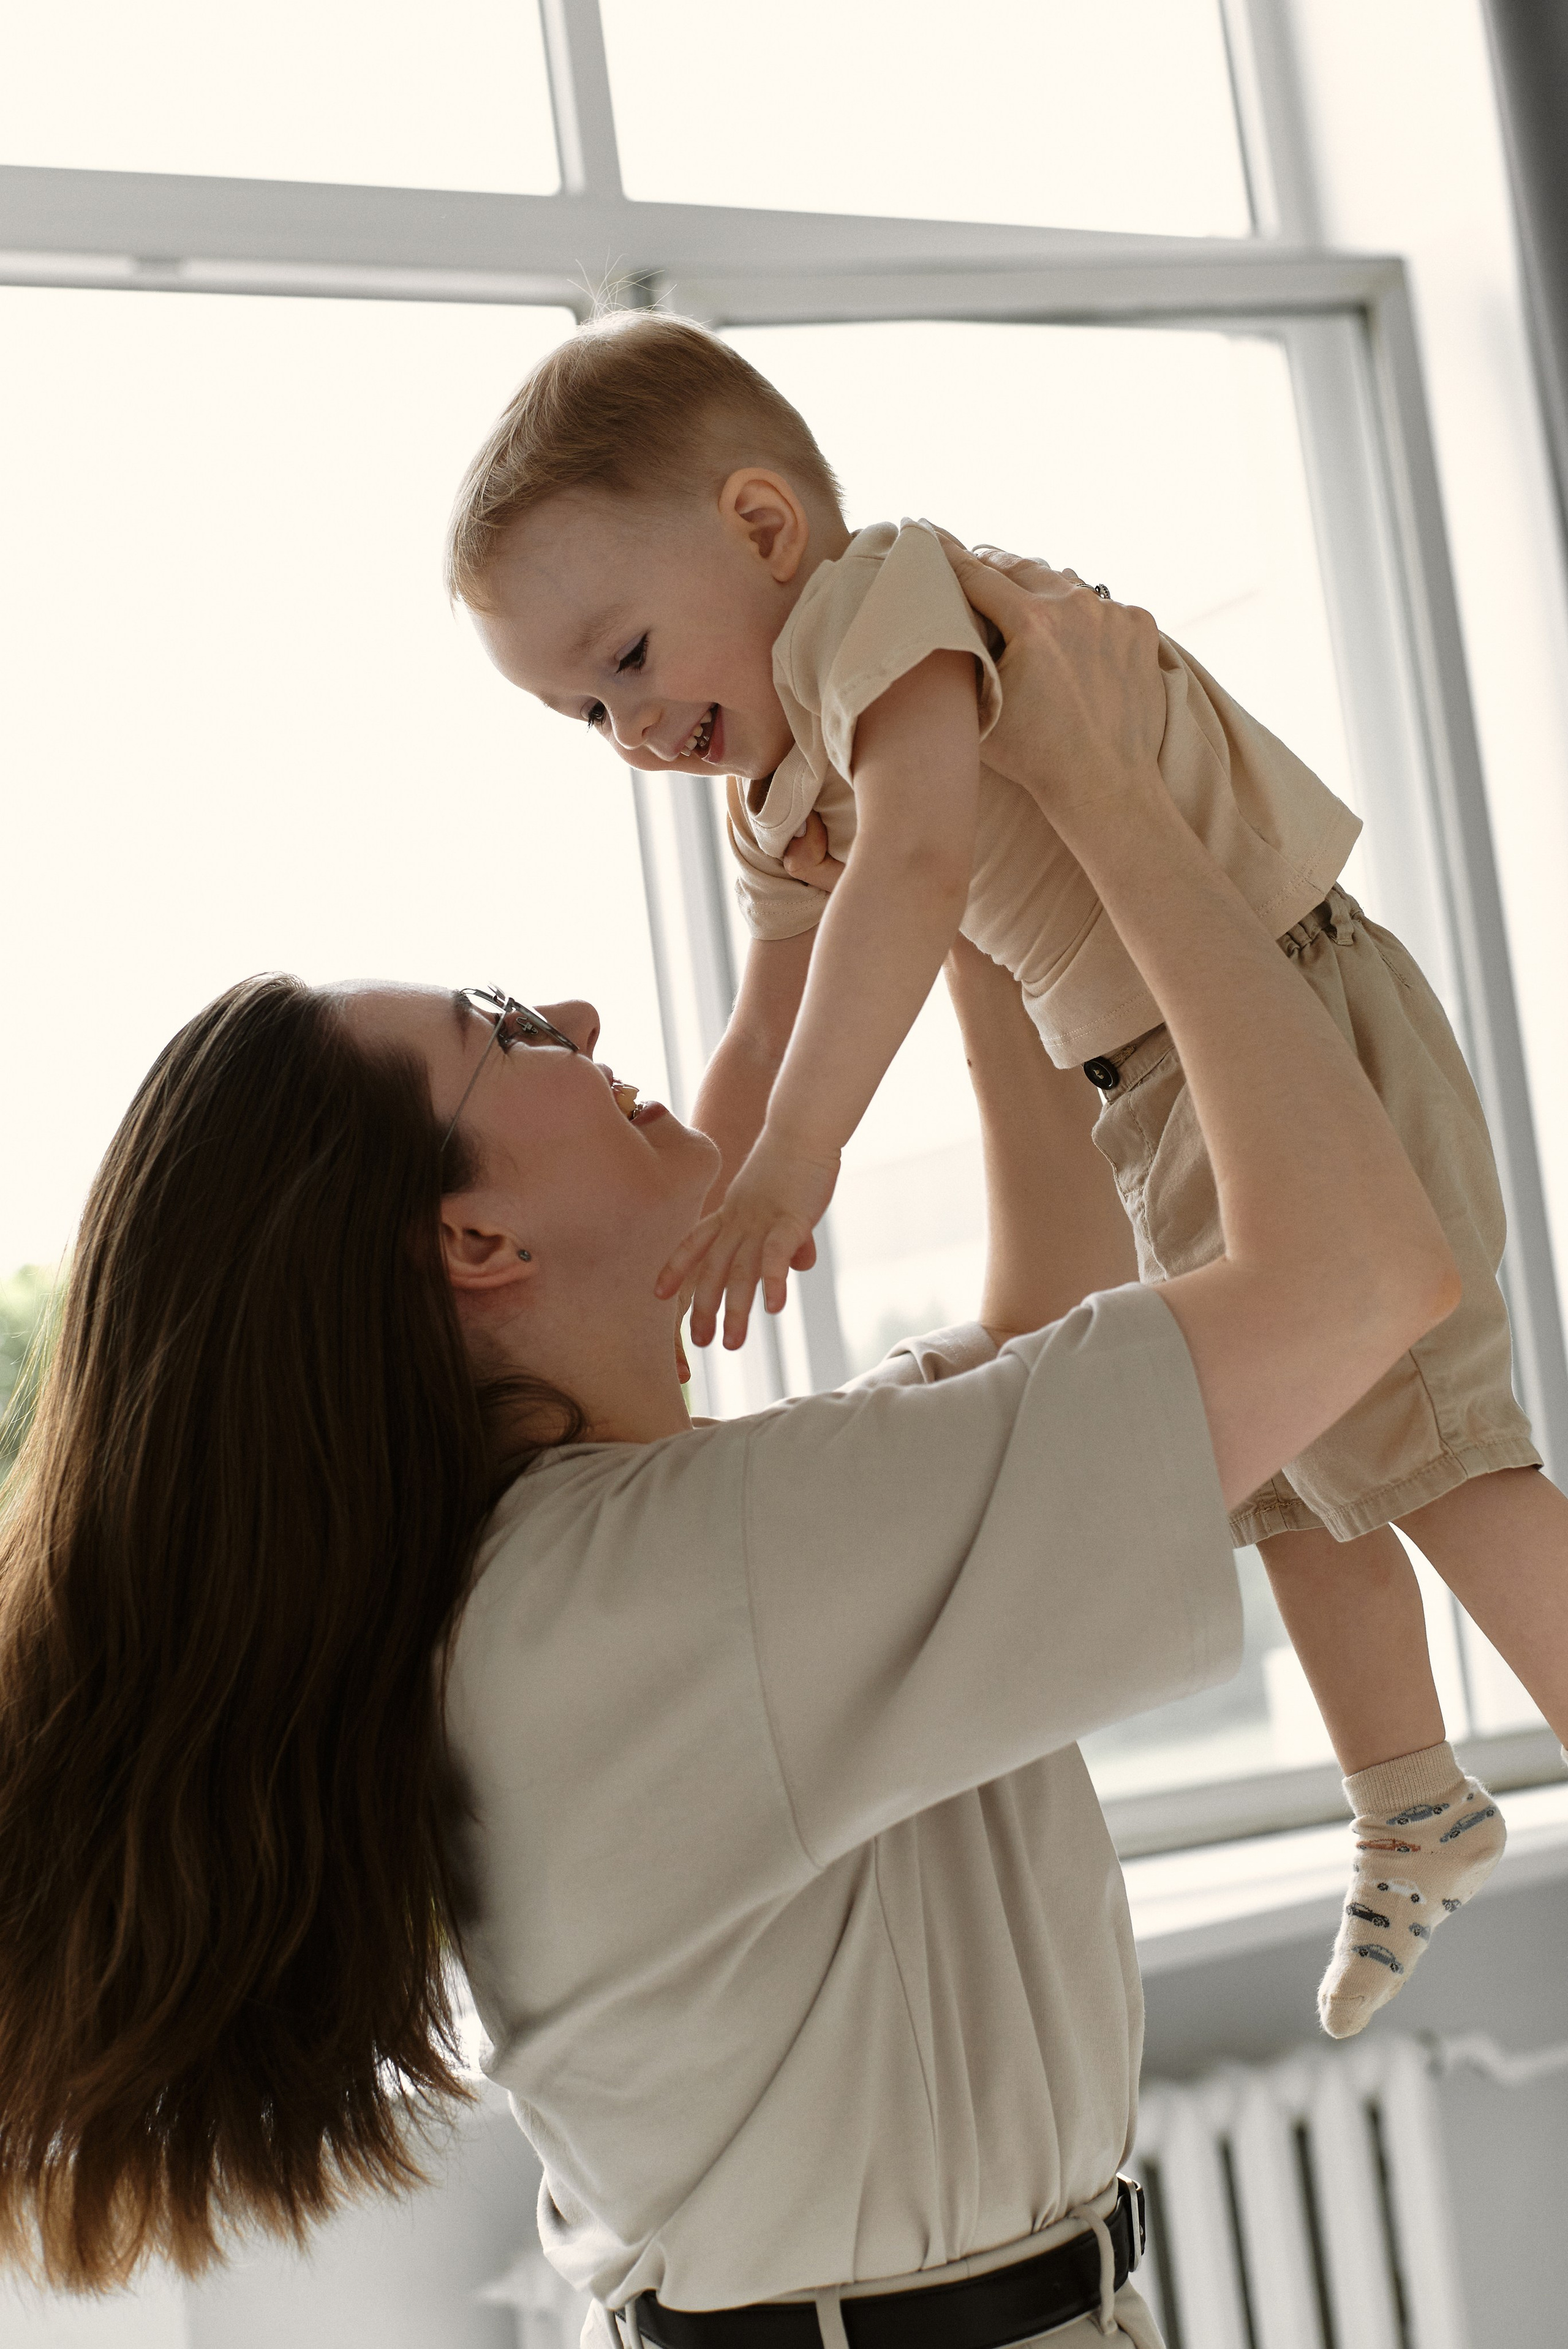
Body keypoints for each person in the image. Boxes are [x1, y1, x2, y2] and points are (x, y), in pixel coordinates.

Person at [0, 552, 1453, 2346]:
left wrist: (956, 860)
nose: (579, 1020)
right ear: (475, 1243)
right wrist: (1106, 795)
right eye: (505, 1030)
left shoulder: (598, 1573)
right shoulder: (674, 1581)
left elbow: (1043, 1322)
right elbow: (1358, 1278)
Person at [445, 311, 1568, 2034]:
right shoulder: (773, 788)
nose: (633, 729)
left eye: (631, 659)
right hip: (1152, 1083)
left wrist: (801, 1159)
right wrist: (703, 1208)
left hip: (1291, 1008)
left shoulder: (885, 614)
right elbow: (768, 1014)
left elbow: (914, 871)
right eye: (585, 710)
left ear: (763, 528)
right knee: (1289, 1471)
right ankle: (1410, 1797)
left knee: (1439, 1455)